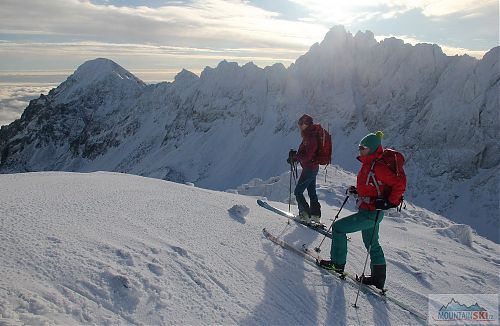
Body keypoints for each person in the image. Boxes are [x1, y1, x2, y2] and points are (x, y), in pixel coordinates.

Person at [319, 131, 405, 290]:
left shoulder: (378, 166)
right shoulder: (369, 164)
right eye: (359, 146)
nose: (359, 149)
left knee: (338, 228)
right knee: (371, 242)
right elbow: (373, 186)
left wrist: (389, 203)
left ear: (371, 148)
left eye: (363, 147)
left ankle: (337, 264)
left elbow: (399, 183)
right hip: (370, 210)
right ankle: (378, 278)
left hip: (372, 212)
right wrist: (358, 191)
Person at [287, 114, 322, 224]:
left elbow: (308, 156)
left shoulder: (310, 138)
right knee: (312, 192)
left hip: (309, 169)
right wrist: (296, 157)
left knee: (298, 192)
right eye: (299, 124)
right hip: (312, 168)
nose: (300, 126)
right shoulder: (310, 136)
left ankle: (304, 215)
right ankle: (315, 215)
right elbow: (306, 154)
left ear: (307, 124)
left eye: (302, 124)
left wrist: (296, 157)